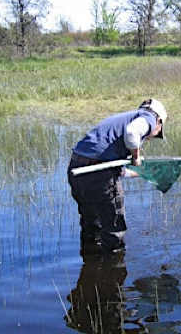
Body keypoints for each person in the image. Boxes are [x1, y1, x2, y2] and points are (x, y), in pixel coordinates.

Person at [67, 98, 167, 255]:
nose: (150, 136)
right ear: (159, 121)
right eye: (157, 133)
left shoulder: (118, 124)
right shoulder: (149, 118)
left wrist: (141, 172)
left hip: (77, 168)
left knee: (92, 226)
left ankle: (89, 267)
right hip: (97, 173)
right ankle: (113, 273)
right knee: (114, 232)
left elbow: (116, 171)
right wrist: (136, 156)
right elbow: (132, 133)